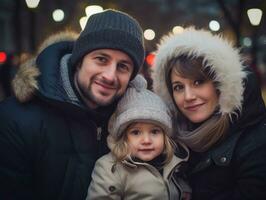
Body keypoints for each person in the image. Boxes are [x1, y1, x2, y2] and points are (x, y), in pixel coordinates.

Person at [0, 9, 145, 200]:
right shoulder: (13, 120)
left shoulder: (132, 125)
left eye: (123, 66)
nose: (110, 75)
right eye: (101, 59)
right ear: (78, 61)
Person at [152, 27, 266, 200]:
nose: (188, 96)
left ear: (221, 83)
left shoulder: (256, 142)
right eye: (178, 87)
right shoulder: (169, 140)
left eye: (199, 82)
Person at [86, 75, 191, 200]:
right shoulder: (111, 168)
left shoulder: (175, 163)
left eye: (154, 132)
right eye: (136, 132)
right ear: (124, 137)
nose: (146, 141)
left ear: (165, 136)